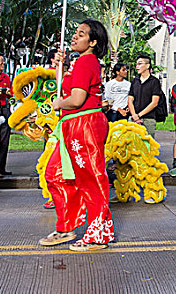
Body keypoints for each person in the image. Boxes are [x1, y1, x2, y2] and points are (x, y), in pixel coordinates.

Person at [39, 19, 114, 251]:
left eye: (81, 34)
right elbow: (68, 88)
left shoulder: (87, 62)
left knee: (90, 178)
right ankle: (66, 226)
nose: (74, 36)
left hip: (85, 124)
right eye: (75, 32)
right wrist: (60, 67)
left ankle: (98, 234)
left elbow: (76, 100)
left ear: (92, 42)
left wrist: (58, 103)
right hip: (72, 125)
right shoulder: (78, 62)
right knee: (56, 174)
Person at [128, 55, 162, 138]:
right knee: (132, 146)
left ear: (147, 65)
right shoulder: (134, 81)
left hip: (148, 119)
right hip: (133, 118)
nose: (137, 66)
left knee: (148, 146)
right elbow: (130, 100)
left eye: (140, 64)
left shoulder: (154, 81)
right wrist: (134, 116)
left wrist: (139, 115)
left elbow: (154, 102)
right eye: (136, 64)